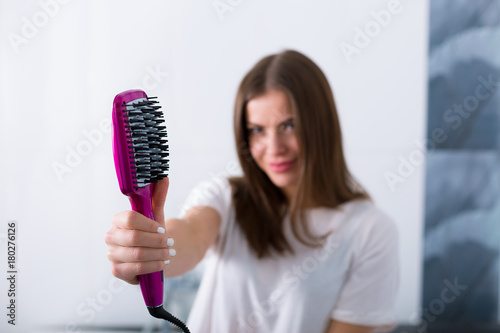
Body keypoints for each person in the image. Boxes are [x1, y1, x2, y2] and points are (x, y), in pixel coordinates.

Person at [105, 50, 399, 333]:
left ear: (322, 125)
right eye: (257, 130)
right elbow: (190, 236)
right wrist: (150, 248)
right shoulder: (226, 198)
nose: (274, 148)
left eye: (289, 125)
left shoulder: (370, 231)